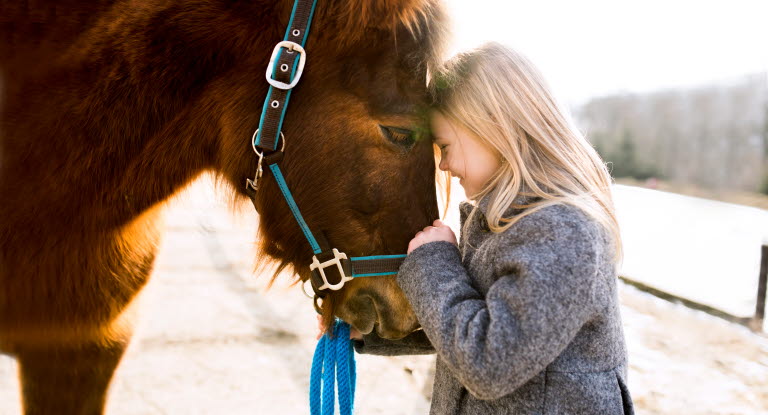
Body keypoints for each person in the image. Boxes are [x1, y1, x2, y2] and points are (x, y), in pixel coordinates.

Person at [349, 42, 635, 414]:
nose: (445, 166)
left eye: (446, 146)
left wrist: (433, 262)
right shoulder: (506, 221)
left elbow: (490, 362)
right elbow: (471, 322)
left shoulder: (563, 230)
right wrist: (374, 332)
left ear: (492, 127)